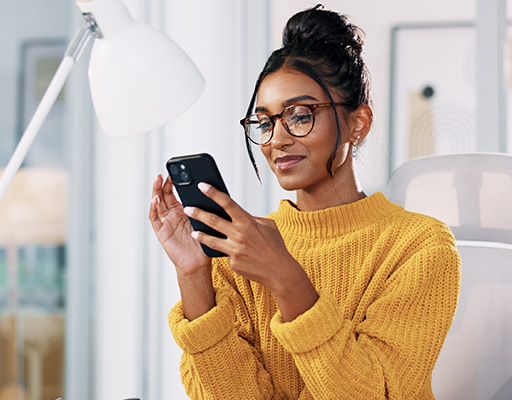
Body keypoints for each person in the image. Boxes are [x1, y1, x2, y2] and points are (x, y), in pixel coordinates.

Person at [149, 5, 460, 399]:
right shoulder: (242, 248)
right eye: (264, 122)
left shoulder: (420, 246)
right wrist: (194, 274)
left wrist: (287, 278)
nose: (276, 139)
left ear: (358, 123)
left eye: (299, 115)